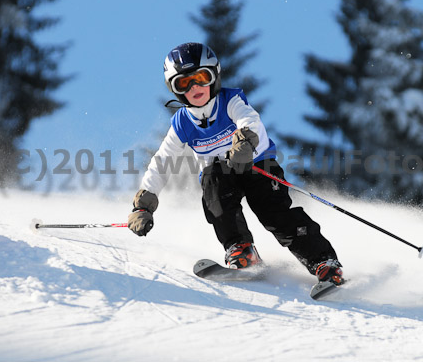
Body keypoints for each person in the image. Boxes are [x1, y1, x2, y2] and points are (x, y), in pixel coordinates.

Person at [128, 42, 344, 285]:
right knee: (215, 194)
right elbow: (162, 161)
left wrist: (244, 142)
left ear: (214, 76)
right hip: (221, 174)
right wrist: (143, 205)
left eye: (201, 77)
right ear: (174, 89)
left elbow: (249, 120)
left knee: (275, 215)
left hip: (257, 165)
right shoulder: (181, 123)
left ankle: (324, 262)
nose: (195, 87)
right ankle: (241, 250)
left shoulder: (230, 101)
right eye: (184, 83)